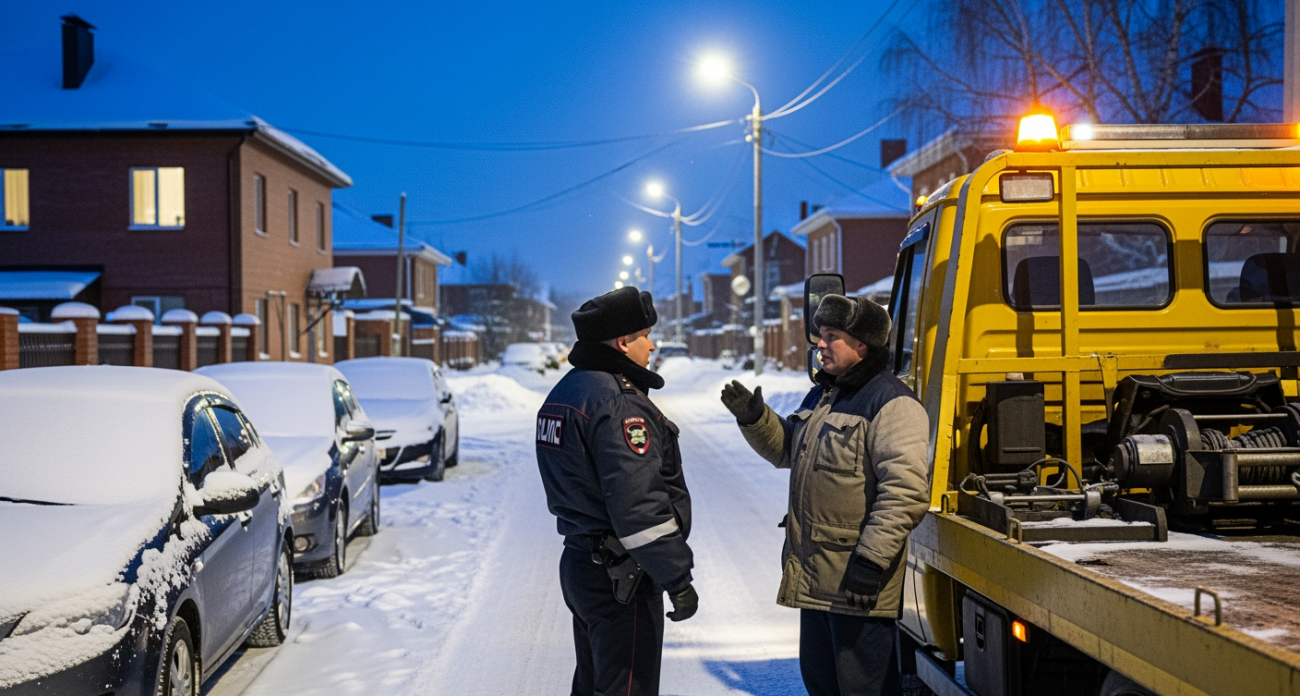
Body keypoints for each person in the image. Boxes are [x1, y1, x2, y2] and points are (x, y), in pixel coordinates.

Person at [719, 294, 929, 696]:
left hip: (856, 582)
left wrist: (871, 561)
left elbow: (905, 492)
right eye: (820, 334)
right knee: (821, 685)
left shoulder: (893, 403)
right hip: (816, 580)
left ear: (862, 343)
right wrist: (755, 419)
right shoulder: (823, 396)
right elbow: (789, 450)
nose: (820, 343)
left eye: (832, 336)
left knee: (862, 690)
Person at [536, 286, 698, 696]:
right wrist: (677, 577)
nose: (652, 345)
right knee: (627, 687)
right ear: (623, 342)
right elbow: (638, 505)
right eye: (646, 335)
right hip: (621, 575)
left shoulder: (567, 391)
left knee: (594, 683)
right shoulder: (618, 402)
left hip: (581, 563)